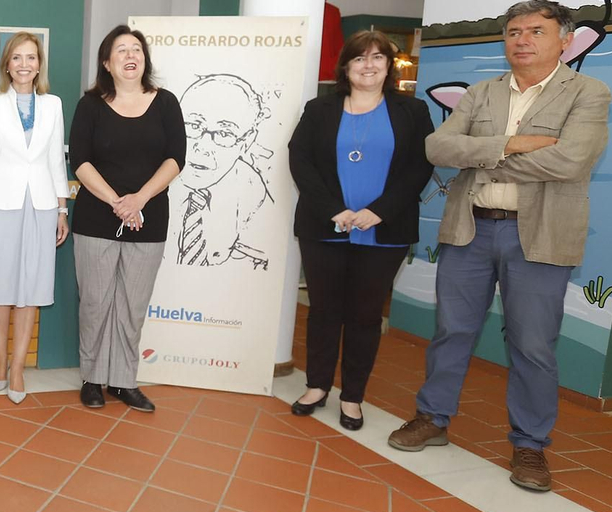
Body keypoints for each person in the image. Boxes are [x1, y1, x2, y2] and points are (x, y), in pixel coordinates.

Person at [389, 0, 610, 491]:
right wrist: (512, 144)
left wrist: (482, 158)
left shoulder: (588, 93)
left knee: (533, 344)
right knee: (451, 331)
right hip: (471, 229)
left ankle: (530, 445)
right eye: (513, 31)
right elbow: (439, 148)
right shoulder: (482, 93)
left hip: (540, 235)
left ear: (564, 40)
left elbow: (570, 163)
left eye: (535, 30)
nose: (522, 40)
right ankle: (433, 418)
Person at [287, 31, 433, 430]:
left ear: (388, 66)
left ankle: (352, 397)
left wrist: (378, 212)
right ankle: (317, 386)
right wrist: (334, 209)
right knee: (323, 312)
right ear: (345, 67)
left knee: (365, 316)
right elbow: (300, 160)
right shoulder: (319, 109)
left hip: (383, 231)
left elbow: (420, 167)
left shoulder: (412, 111)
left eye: (377, 58)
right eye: (358, 59)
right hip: (325, 226)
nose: (368, 66)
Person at [68, 25, 185, 411]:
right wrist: (118, 201)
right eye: (121, 50)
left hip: (148, 218)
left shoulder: (166, 102)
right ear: (107, 62)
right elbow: (80, 161)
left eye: (136, 49)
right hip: (96, 217)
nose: (130, 55)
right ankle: (92, 378)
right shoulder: (90, 105)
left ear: (144, 59)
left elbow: (175, 159)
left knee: (132, 305)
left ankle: (122, 381)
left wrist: (140, 199)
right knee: (96, 302)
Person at [0, 32, 70, 404]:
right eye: (17, 58)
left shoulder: (54, 105)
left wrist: (62, 209)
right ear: (7, 65)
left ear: (39, 64)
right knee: (0, 287)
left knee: (32, 289)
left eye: (31, 58)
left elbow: (56, 160)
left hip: (42, 207)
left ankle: (17, 368)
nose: (24, 64)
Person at [170, 73, 273, 269]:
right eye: (193, 125)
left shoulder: (255, 197)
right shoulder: (149, 172)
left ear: (247, 141)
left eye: (225, 133)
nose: (203, 146)